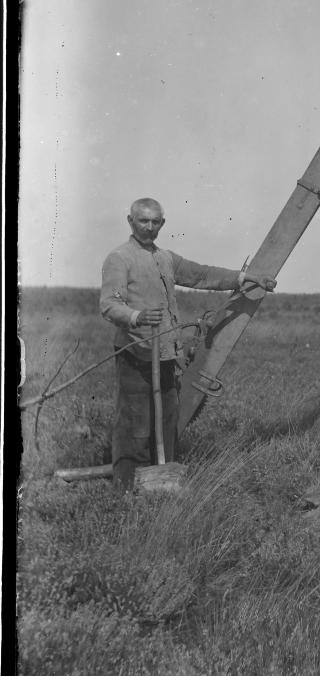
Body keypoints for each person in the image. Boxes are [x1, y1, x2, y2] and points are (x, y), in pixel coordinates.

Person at [100, 197, 276, 490]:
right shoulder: (119, 258)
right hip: (136, 353)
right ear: (130, 221)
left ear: (162, 224)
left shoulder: (166, 258)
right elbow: (108, 305)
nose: (149, 227)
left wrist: (245, 278)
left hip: (166, 355)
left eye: (155, 222)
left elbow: (201, 274)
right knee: (134, 422)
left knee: (168, 419)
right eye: (143, 221)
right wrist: (137, 316)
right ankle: (126, 486)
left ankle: (163, 483)